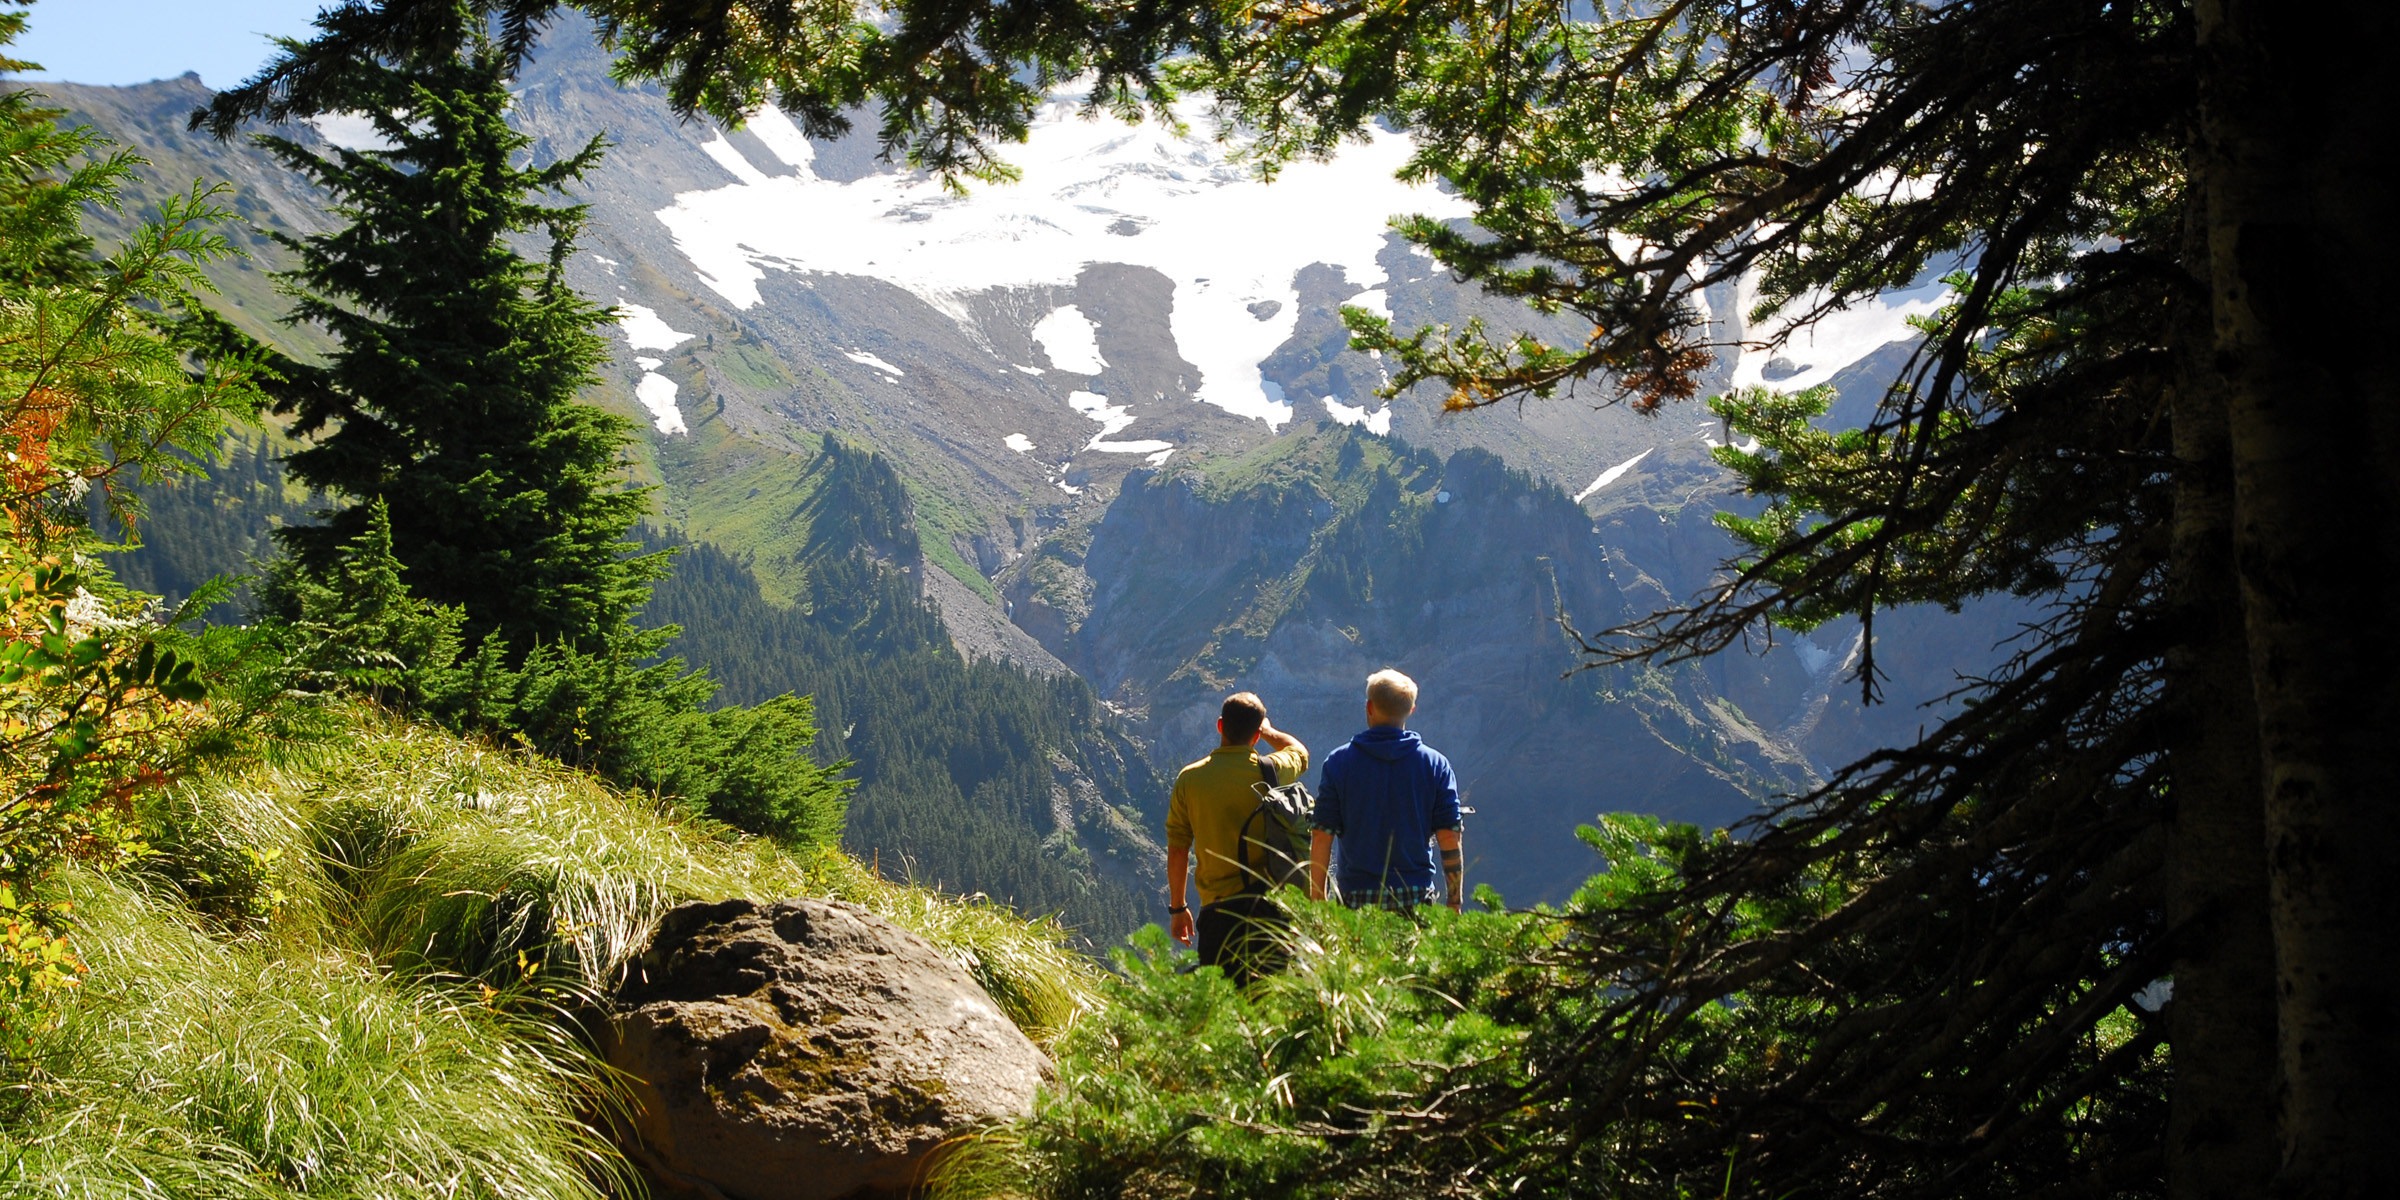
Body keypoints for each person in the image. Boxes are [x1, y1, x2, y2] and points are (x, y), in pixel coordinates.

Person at [1165, 691, 1309, 983]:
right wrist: (1270, 731)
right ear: (1256, 735)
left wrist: (1179, 908)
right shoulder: (1272, 770)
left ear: (1220, 726)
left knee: (1223, 1007)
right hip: (1271, 912)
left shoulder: (1190, 780)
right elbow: (1299, 751)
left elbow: (1179, 849)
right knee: (1269, 1002)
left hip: (1219, 915)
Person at [1310, 668, 1464, 911]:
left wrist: (1318, 902)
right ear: (1411, 710)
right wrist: (1454, 901)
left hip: (1356, 900)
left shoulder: (1339, 762)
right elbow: (1449, 837)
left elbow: (1321, 836)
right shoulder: (1435, 764)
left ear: (1369, 707)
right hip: (1415, 898)